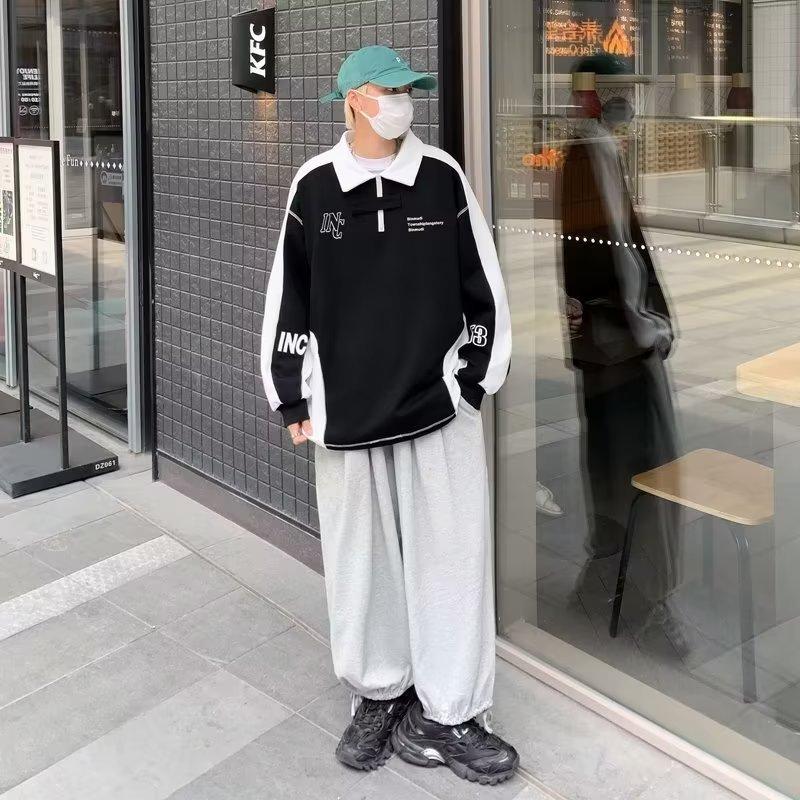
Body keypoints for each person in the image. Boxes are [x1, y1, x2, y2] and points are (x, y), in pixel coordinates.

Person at [260, 45, 518, 784]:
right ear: (353, 99)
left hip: (437, 406)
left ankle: (453, 712)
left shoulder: (442, 177)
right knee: (360, 563)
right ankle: (378, 694)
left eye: (408, 89)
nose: (403, 100)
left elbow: (485, 289)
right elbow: (289, 295)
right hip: (346, 413)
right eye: (389, 89)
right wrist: (290, 393)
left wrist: (471, 384)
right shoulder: (314, 185)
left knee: (453, 560)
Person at [560, 62, 685, 651]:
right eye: (617, 94)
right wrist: (647, 328)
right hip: (619, 350)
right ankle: (639, 602)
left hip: (612, 346)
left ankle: (605, 590)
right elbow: (604, 258)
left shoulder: (597, 150)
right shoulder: (589, 154)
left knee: (620, 471)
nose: (626, 105)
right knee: (646, 474)